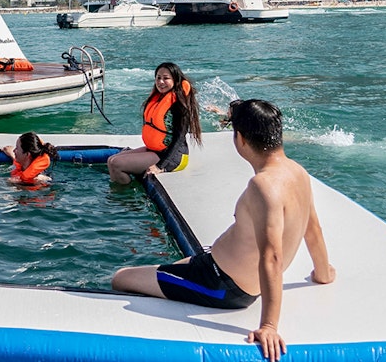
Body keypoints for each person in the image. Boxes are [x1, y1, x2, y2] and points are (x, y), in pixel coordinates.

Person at [111, 99, 335, 362]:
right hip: (214, 268)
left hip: (220, 287)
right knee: (177, 265)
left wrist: (269, 326)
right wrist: (323, 272)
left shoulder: (263, 186)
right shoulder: (298, 172)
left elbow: (271, 256)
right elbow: (313, 229)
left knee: (122, 278)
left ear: (240, 139)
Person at [107, 62, 202, 184]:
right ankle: (121, 194)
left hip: (173, 156)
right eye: (158, 78)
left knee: (116, 164)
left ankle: (127, 200)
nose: (161, 82)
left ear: (176, 80)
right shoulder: (158, 99)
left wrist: (160, 166)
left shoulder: (179, 105)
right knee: (111, 160)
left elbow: (179, 139)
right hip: (154, 150)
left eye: (166, 78)